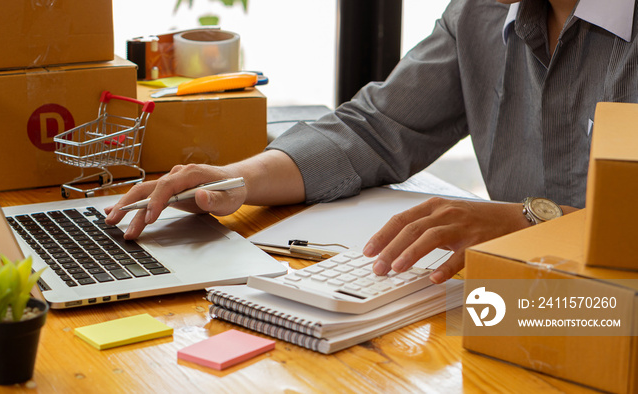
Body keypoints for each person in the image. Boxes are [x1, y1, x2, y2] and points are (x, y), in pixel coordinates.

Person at [106, 0, 637, 284]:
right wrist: (239, 178)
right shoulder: (481, 12)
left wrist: (528, 221)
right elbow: (376, 129)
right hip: (519, 311)